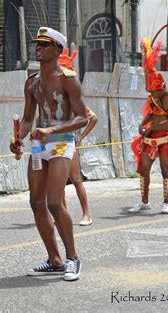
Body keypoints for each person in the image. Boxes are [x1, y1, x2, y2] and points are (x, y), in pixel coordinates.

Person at [10, 27, 88, 281]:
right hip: (37, 146)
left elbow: (82, 118)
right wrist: (16, 138)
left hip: (61, 143)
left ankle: (73, 258)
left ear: (57, 50)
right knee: (36, 202)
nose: (38, 47)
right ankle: (54, 259)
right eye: (37, 44)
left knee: (55, 202)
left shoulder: (68, 79)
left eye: (44, 44)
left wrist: (52, 129)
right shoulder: (32, 82)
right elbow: (27, 118)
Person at [129, 37, 168, 214]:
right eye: (150, 91)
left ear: (163, 86)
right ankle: (144, 201)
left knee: (165, 171)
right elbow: (152, 113)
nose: (152, 95)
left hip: (165, 138)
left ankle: (166, 202)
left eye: (154, 91)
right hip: (150, 139)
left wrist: (150, 128)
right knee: (144, 170)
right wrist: (142, 124)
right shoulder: (154, 97)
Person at [58, 49, 98, 226]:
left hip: (68, 141)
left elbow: (93, 117)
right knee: (57, 183)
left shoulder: (73, 98)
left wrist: (80, 136)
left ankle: (86, 214)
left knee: (75, 179)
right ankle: (62, 215)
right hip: (51, 142)